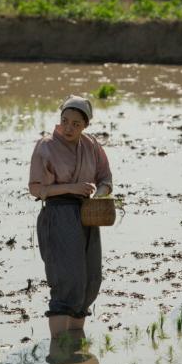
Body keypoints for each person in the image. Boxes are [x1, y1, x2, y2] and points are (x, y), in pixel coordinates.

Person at [29, 95, 113, 339]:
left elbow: (105, 179)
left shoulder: (92, 145)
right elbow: (35, 188)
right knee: (67, 281)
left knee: (90, 281)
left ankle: (75, 346)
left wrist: (98, 194)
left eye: (76, 124)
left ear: (85, 125)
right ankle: (59, 350)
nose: (69, 128)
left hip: (87, 216)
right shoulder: (45, 146)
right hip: (58, 215)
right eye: (65, 121)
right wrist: (72, 188)